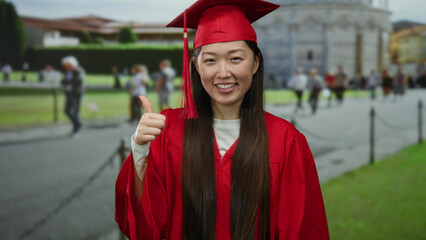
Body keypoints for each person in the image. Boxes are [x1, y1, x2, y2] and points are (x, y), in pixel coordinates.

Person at [115, 0, 329, 239]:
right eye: (210, 60)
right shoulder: (168, 130)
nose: (223, 72)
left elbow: (303, 227)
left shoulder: (286, 139)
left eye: (236, 59)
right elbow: (145, 225)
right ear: (195, 65)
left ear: (255, 63)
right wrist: (140, 150)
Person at [61, 56, 85, 137]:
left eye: (68, 65)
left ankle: (76, 129)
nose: (66, 67)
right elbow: (63, 82)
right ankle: (78, 123)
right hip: (69, 93)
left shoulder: (78, 71)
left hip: (76, 94)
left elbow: (79, 80)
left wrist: (69, 80)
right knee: (67, 111)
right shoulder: (67, 72)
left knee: (75, 111)